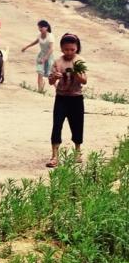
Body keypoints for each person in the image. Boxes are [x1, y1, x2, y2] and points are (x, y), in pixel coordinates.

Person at [46, 33, 87, 168]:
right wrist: (55, 77)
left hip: (76, 97)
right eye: (66, 49)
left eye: (72, 49)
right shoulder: (58, 62)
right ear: (62, 48)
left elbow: (84, 81)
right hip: (61, 98)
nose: (69, 52)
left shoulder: (79, 61)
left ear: (77, 48)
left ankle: (77, 152)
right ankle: (54, 156)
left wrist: (76, 73)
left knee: (77, 125)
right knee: (57, 125)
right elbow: (51, 81)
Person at [21, 20, 55, 92]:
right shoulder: (39, 35)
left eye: (41, 27)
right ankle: (40, 90)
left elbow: (51, 49)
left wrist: (45, 58)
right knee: (40, 72)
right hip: (41, 55)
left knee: (50, 74)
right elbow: (36, 42)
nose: (40, 29)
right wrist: (26, 47)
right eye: (39, 27)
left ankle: (58, 88)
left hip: (49, 56)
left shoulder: (50, 36)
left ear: (46, 27)